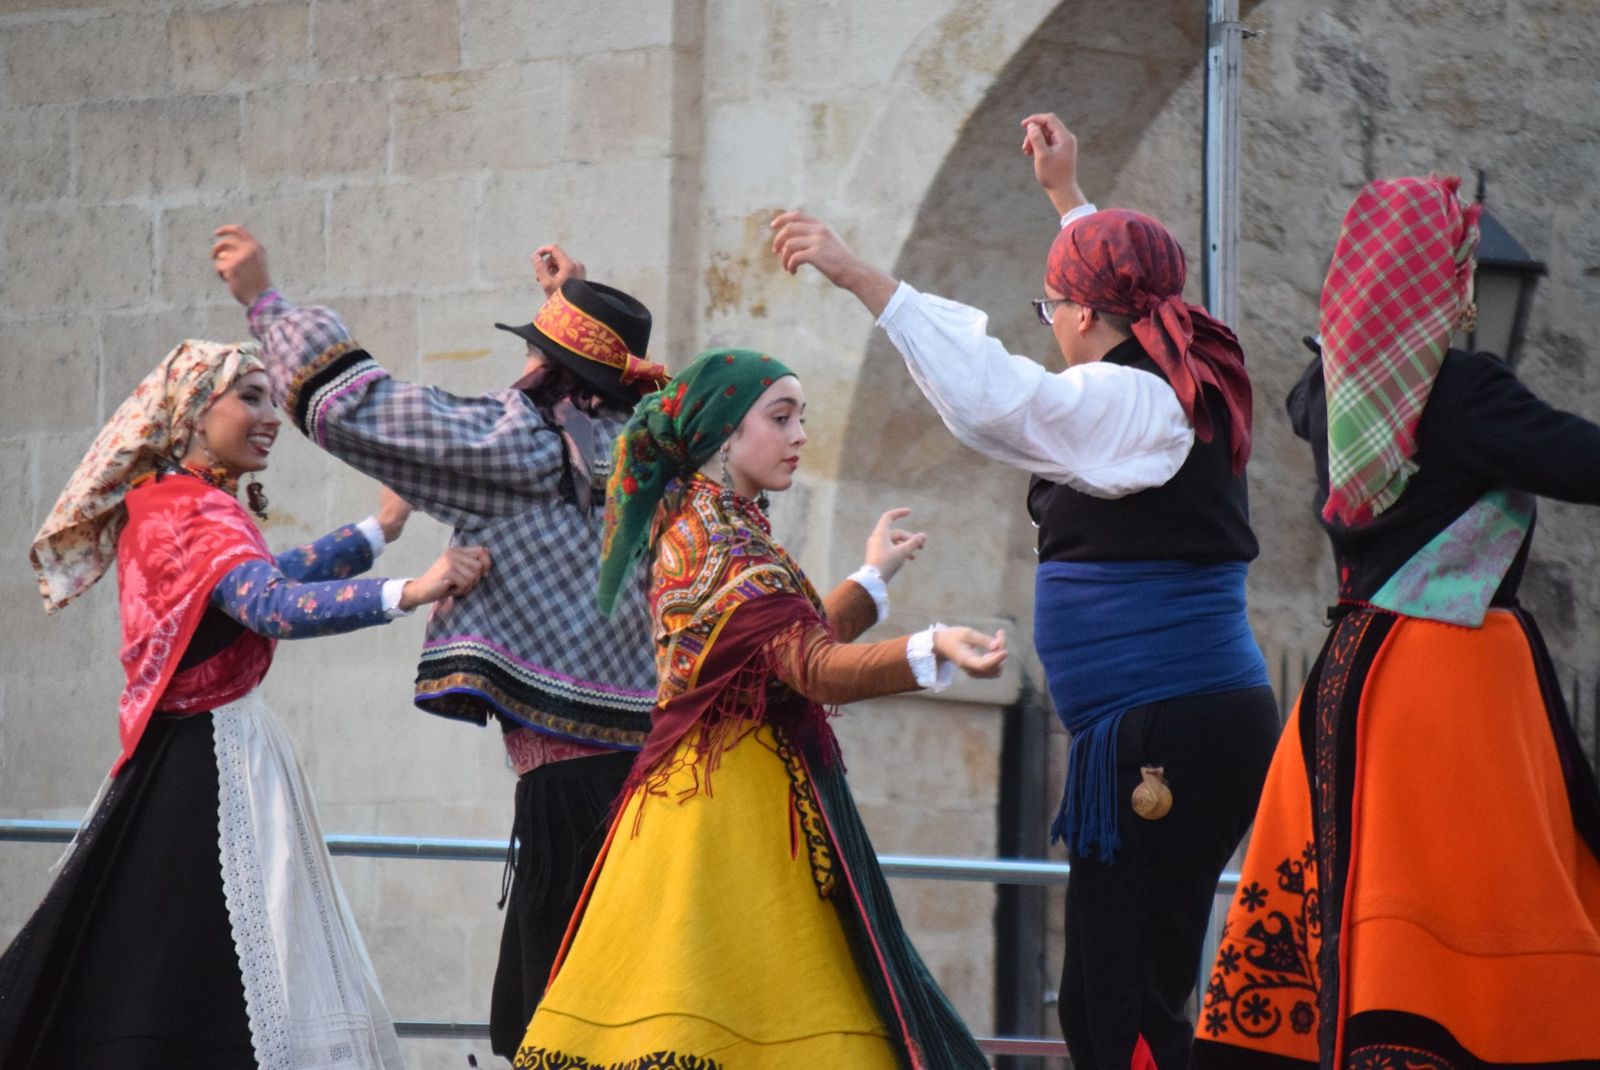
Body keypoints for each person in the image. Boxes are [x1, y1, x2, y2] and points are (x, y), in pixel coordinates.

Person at [771, 113, 1280, 1069]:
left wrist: (862, 279)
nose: (1048, 330)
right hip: (1163, 727)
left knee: (1123, 1005)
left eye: (1050, 311)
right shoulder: (1169, 374)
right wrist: (1067, 201)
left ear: (1085, 317)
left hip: (1163, 733)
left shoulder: (1134, 400)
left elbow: (1002, 398)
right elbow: (1110, 295)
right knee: (1115, 995)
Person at [209, 226, 665, 1057]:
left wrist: (264, 302)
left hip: (571, 790)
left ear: (553, 372)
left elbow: (360, 408)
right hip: (646, 772)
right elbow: (547, 419)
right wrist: (573, 308)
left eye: (538, 356)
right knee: (629, 1009)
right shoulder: (638, 452)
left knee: (566, 1026)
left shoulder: (527, 445)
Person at [1193, 176, 1600, 1068]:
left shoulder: (1321, 394)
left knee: (1361, 884)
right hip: (1456, 674)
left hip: (1355, 670)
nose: (1465, 288)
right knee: (1478, 885)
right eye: (1458, 266)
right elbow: (1584, 462)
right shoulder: (1461, 395)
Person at [0, 339, 489, 1069]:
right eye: (250, 398)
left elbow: (245, 588)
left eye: (271, 399)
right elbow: (269, 604)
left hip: (172, 759)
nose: (271, 417)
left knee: (145, 958)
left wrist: (373, 534)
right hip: (217, 760)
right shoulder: (200, 511)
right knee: (224, 969)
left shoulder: (163, 503)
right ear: (196, 413)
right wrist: (410, 590)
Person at [516, 349, 1006, 1068]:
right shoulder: (718, 543)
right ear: (722, 434)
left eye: (801, 417)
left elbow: (783, 641)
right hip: (731, 816)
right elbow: (810, 667)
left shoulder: (712, 524)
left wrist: (872, 579)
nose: (800, 434)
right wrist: (930, 648)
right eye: (780, 418)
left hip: (714, 798)